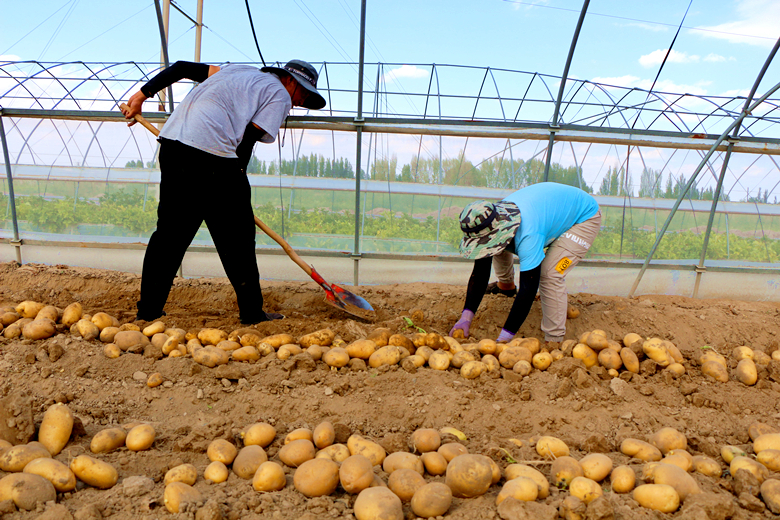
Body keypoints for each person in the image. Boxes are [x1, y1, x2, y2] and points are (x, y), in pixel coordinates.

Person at [121, 59, 326, 324]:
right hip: (212, 155)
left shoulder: (235, 70)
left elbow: (182, 68)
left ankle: (148, 312)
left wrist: (141, 96)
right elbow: (248, 139)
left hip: (173, 147)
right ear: (288, 80)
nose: (301, 101)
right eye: (304, 93)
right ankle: (252, 313)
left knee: (170, 235)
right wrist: (236, 179)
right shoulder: (279, 93)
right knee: (238, 238)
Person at [449, 182, 601, 344]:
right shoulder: (489, 219)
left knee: (549, 274)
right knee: (492, 247)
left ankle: (554, 340)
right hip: (549, 211)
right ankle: (506, 287)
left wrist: (504, 339)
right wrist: (466, 317)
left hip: (583, 217)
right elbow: (480, 272)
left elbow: (529, 287)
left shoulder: (528, 234)